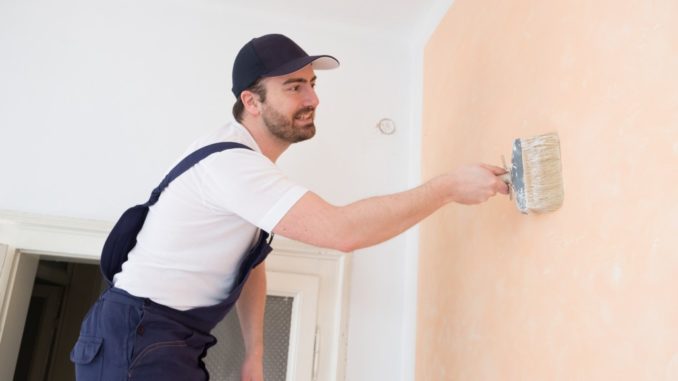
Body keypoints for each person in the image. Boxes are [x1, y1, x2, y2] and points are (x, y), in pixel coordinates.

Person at [70, 33, 509, 381]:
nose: (313, 99)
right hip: (138, 336)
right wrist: (447, 188)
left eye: (312, 84)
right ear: (252, 101)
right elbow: (343, 232)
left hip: (160, 338)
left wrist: (254, 354)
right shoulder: (232, 166)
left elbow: (247, 265)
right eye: (294, 86)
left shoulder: (244, 167)